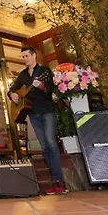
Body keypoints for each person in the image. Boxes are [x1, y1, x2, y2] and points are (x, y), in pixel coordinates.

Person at [8, 46, 66, 195]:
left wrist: (41, 85)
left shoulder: (44, 71)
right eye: (23, 57)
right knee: (44, 147)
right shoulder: (23, 75)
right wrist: (12, 94)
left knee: (51, 143)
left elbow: (50, 89)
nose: (24, 59)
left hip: (47, 111)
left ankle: (60, 181)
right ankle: (55, 180)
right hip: (33, 113)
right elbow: (12, 88)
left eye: (26, 56)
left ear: (34, 56)